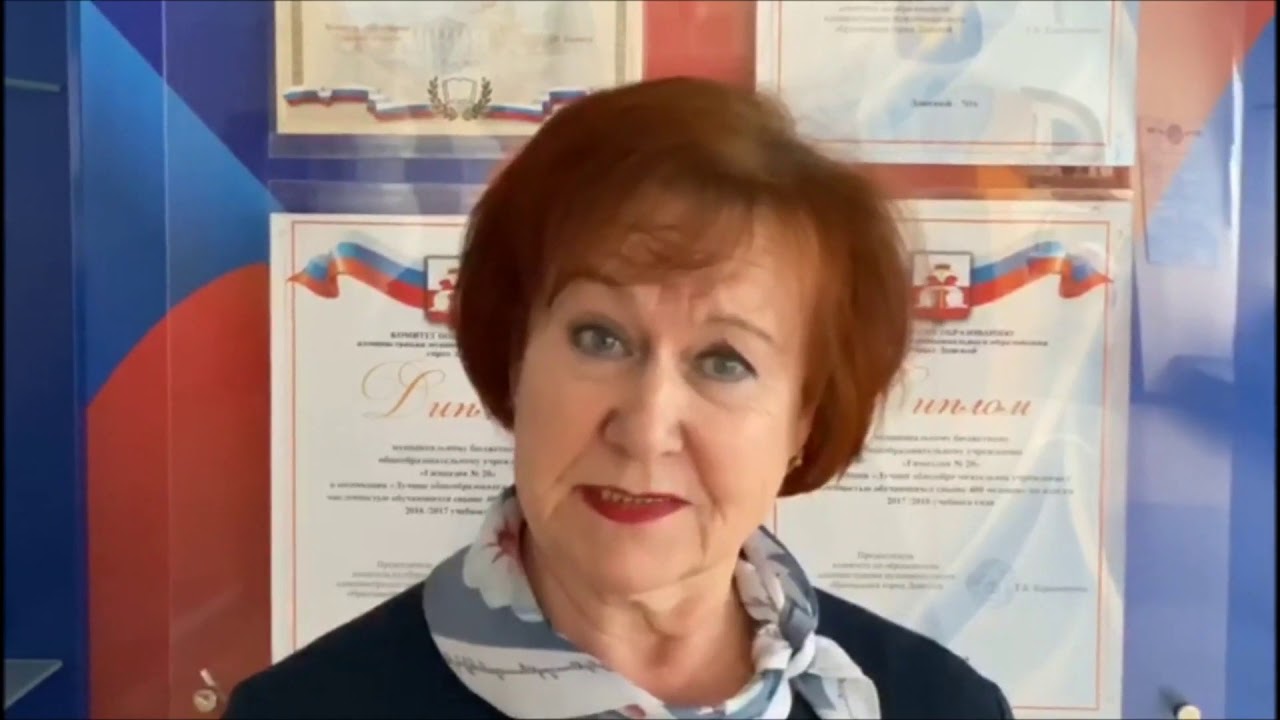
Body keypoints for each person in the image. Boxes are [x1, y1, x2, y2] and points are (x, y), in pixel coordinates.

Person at [225, 77, 1012, 719]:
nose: (646, 426)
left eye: (724, 361)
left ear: (804, 419)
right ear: (516, 356)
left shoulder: (939, 708)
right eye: (600, 338)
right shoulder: (302, 712)